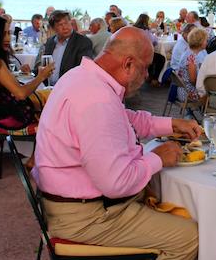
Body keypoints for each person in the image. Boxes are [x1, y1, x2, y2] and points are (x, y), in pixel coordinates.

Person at [32, 27, 200, 259]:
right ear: (128, 64)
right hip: (87, 216)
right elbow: (116, 183)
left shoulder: (80, 77)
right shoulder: (97, 100)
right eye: (145, 68)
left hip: (74, 204)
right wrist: (158, 158)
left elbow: (123, 118)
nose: (146, 76)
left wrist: (172, 124)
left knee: (169, 202)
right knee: (189, 237)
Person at [0, 15, 54, 129]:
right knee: (52, 105)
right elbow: (21, 94)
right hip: (7, 118)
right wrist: (41, 77)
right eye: (3, 34)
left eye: (9, 33)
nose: (8, 38)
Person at [34, 10, 94, 86]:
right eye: (60, 25)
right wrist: (31, 72)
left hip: (70, 87)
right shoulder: (50, 42)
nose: (65, 27)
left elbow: (84, 70)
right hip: (48, 87)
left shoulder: (83, 42)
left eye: (66, 23)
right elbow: (44, 65)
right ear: (53, 28)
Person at [176, 28, 207, 104]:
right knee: (212, 96)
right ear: (200, 42)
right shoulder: (191, 57)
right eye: (206, 40)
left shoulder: (188, 51)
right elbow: (193, 80)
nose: (207, 42)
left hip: (183, 89)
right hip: (187, 93)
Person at [134, 14, 165, 86]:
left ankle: (149, 76)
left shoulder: (133, 29)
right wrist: (155, 35)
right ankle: (155, 79)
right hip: (143, 55)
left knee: (152, 55)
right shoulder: (146, 30)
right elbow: (155, 42)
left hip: (135, 54)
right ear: (146, 21)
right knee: (161, 58)